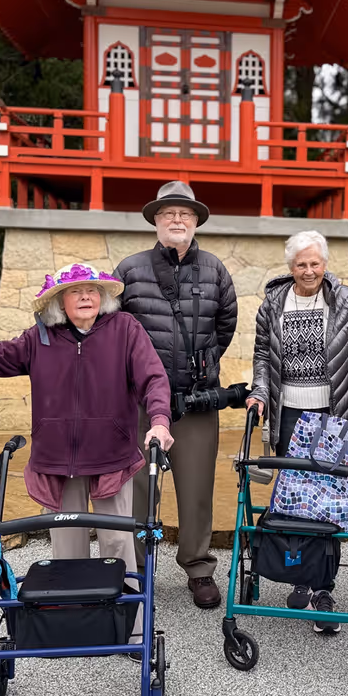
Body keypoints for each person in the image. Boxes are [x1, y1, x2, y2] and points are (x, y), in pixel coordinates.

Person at [0, 263, 173, 571]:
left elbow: (153, 377)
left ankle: (124, 616)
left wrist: (159, 421)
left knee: (117, 546)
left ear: (103, 298)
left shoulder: (125, 328)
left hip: (111, 456)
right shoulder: (38, 338)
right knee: (67, 550)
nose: (86, 297)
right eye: (76, 292)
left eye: (92, 291)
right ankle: (73, 614)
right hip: (57, 461)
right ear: (60, 301)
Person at [245, 229, 348, 632]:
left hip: (334, 413)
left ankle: (323, 586)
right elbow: (260, 357)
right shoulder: (274, 303)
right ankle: (302, 577)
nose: (309, 270)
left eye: (315, 263)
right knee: (294, 498)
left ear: (325, 264)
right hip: (289, 414)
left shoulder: (345, 301)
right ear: (291, 268)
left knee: (328, 499)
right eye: (301, 264)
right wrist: (259, 394)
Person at [114, 181, 238, 609]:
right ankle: (137, 568)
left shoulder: (216, 269)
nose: (177, 220)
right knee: (138, 489)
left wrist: (203, 364)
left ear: (197, 220)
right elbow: (111, 331)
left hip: (197, 398)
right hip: (139, 402)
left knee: (197, 487)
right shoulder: (129, 269)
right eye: (168, 214)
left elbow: (226, 324)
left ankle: (199, 566)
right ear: (155, 220)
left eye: (185, 214)